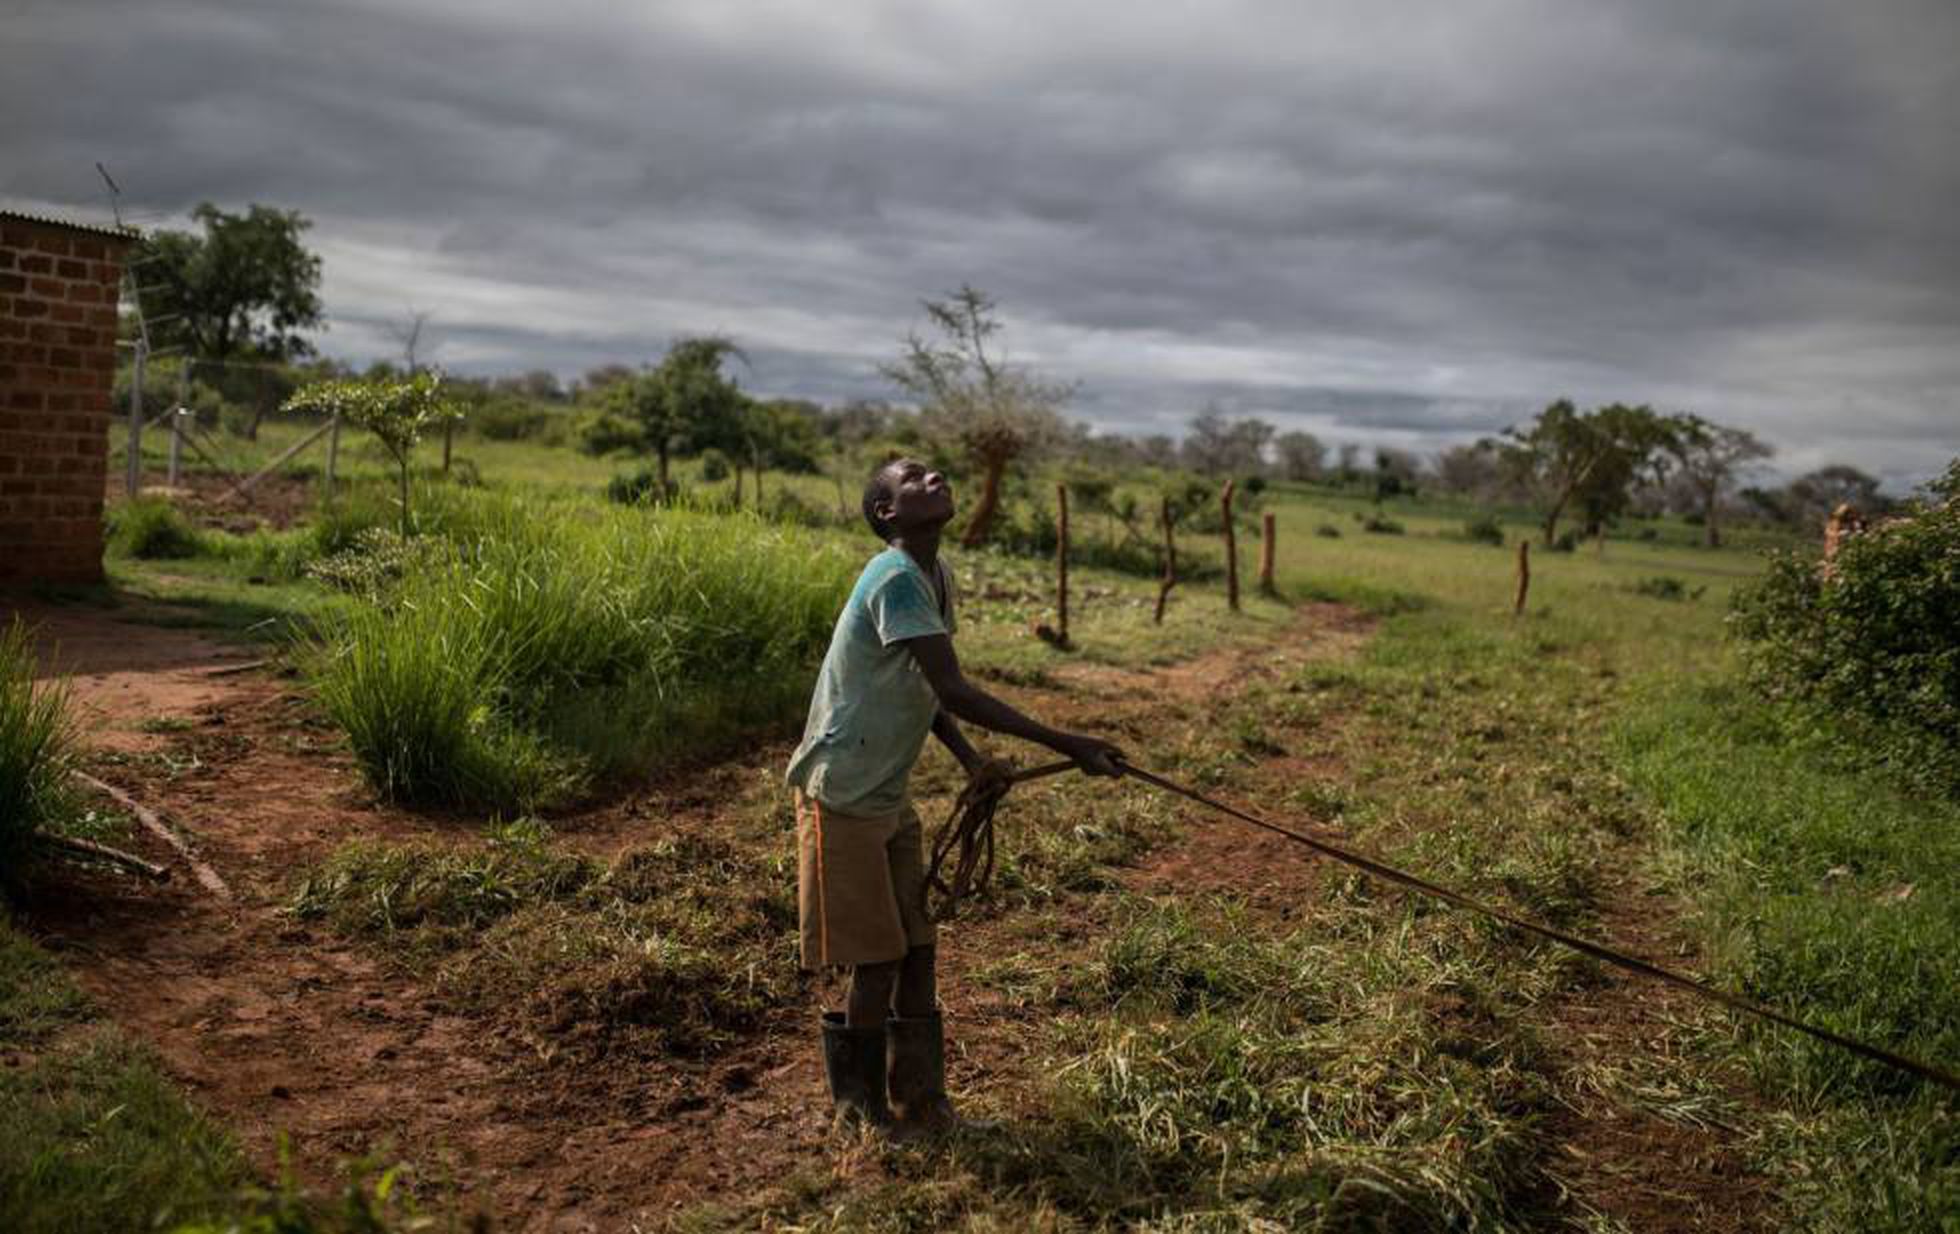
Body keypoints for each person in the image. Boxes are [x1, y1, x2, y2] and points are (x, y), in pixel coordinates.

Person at [786, 456, 1124, 1137]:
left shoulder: (933, 575)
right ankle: (863, 1116)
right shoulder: (893, 576)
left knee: (918, 947)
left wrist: (971, 759)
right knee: (878, 959)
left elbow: (923, 686)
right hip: (842, 794)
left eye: (934, 472)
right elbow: (955, 687)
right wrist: (1072, 744)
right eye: (913, 477)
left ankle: (922, 1103)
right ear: (888, 512)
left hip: (885, 793)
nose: (933, 476)